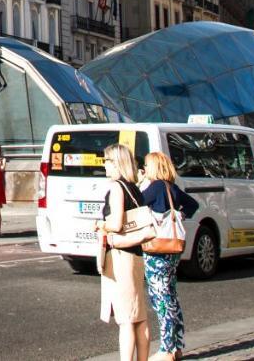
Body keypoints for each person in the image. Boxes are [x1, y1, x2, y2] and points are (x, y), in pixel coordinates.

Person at [139, 152, 199, 361]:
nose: (144, 169)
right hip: (173, 247)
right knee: (171, 294)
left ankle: (166, 349)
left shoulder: (155, 187)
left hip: (157, 249)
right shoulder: (171, 187)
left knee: (161, 298)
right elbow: (192, 205)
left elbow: (137, 202)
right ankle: (177, 345)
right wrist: (179, 215)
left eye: (146, 166)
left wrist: (140, 182)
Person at [95, 143, 150, 361]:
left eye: (106, 161)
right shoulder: (133, 187)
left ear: (116, 163)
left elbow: (116, 223)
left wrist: (100, 225)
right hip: (136, 253)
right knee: (140, 315)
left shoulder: (116, 188)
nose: (104, 165)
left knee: (126, 318)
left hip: (120, 255)